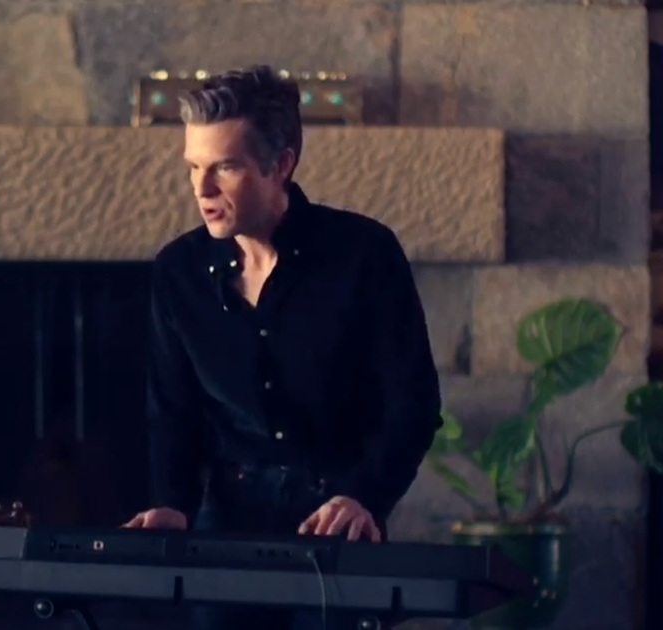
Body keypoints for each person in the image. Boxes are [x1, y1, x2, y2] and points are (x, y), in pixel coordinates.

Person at [123, 65, 443, 629]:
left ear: (282, 164)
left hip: (336, 521)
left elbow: (413, 405)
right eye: (194, 167)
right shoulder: (178, 271)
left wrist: (363, 497)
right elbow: (172, 411)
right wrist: (171, 503)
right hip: (225, 529)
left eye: (225, 167)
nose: (201, 189)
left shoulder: (364, 254)